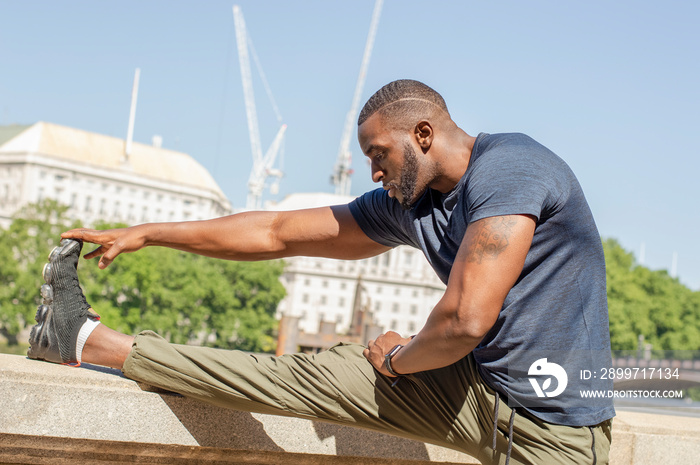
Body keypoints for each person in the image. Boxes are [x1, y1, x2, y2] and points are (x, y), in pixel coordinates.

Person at [28, 79, 614, 465]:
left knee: (369, 359)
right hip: (480, 392)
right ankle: (90, 341)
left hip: (552, 431)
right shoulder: (410, 205)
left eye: (379, 154)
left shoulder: (510, 171)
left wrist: (397, 358)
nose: (374, 173)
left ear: (423, 135)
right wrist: (151, 234)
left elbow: (464, 320)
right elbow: (276, 232)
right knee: (317, 373)